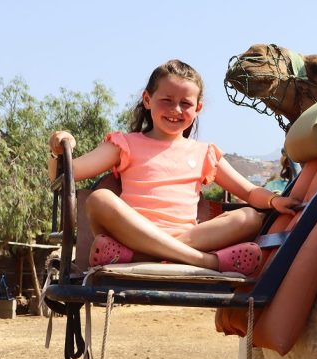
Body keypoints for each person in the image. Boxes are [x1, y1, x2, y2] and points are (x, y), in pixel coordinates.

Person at [47, 59, 297, 275]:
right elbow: (66, 174)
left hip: (184, 239)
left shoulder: (204, 152)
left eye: (185, 104)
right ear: (147, 100)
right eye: (166, 100)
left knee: (250, 217)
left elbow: (250, 193)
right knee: (100, 199)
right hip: (131, 236)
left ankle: (146, 258)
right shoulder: (125, 144)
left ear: (198, 108)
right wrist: (58, 148)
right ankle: (207, 262)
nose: (176, 110)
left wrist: (275, 201)